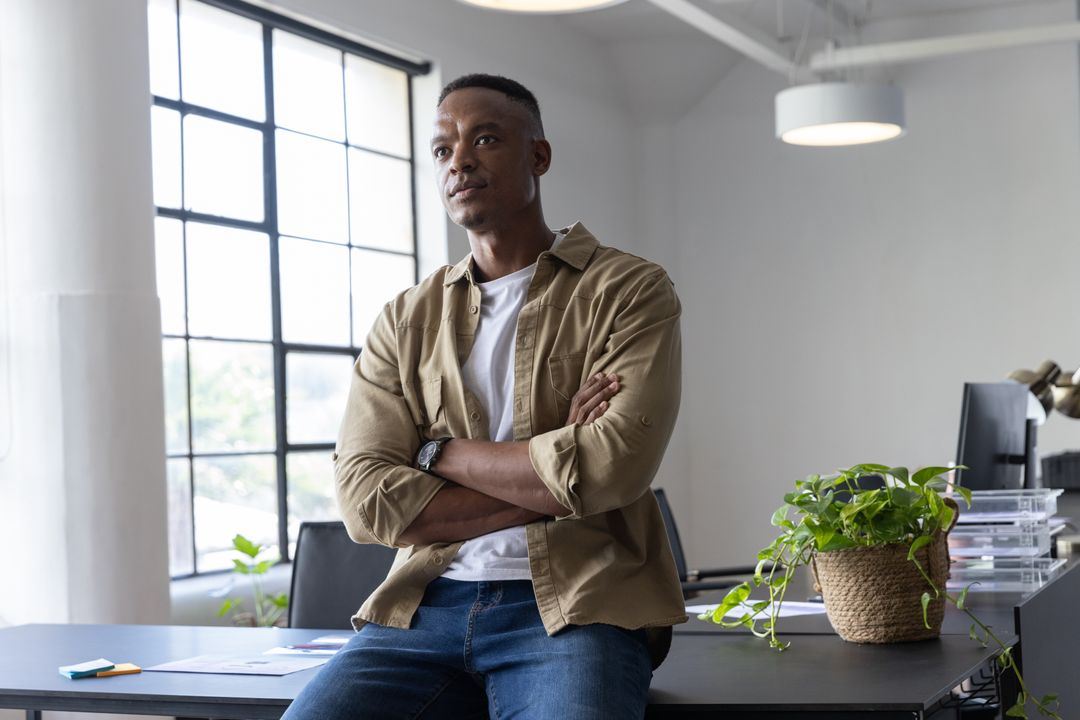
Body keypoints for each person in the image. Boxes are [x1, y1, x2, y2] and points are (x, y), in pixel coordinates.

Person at [283, 73, 686, 720]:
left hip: (577, 607)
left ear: (538, 156)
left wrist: (435, 452)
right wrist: (549, 472)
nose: (460, 160)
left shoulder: (627, 290)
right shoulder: (406, 319)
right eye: (443, 150)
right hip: (421, 608)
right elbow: (366, 502)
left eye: (486, 139)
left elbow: (611, 466)